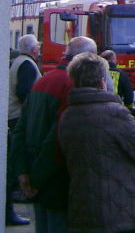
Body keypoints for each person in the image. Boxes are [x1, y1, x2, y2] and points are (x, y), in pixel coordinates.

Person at [59, 52, 135, 233]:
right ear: (102, 81)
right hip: (120, 209)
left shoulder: (68, 115)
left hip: (83, 209)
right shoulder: (114, 112)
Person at [11, 36, 97, 233]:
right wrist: (37, 180)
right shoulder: (74, 84)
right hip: (58, 177)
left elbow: (20, 129)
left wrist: (23, 172)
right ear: (88, 57)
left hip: (36, 172)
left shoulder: (43, 80)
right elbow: (57, 138)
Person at [7, 35, 41, 227]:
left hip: (13, 115)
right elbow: (24, 91)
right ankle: (20, 191)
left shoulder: (18, 62)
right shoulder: (27, 65)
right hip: (19, 116)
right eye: (38, 47)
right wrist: (33, 113)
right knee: (21, 155)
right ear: (33, 50)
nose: (39, 51)